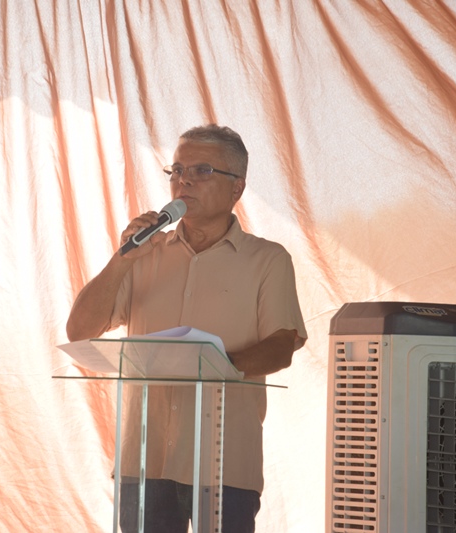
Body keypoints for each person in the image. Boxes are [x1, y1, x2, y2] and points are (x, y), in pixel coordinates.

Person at [65, 124, 307, 532]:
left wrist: (214, 365)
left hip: (224, 462)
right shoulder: (145, 253)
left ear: (237, 187)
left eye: (202, 170)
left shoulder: (268, 260)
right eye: (176, 170)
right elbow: (80, 331)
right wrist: (123, 259)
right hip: (144, 460)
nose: (184, 180)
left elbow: (282, 345)